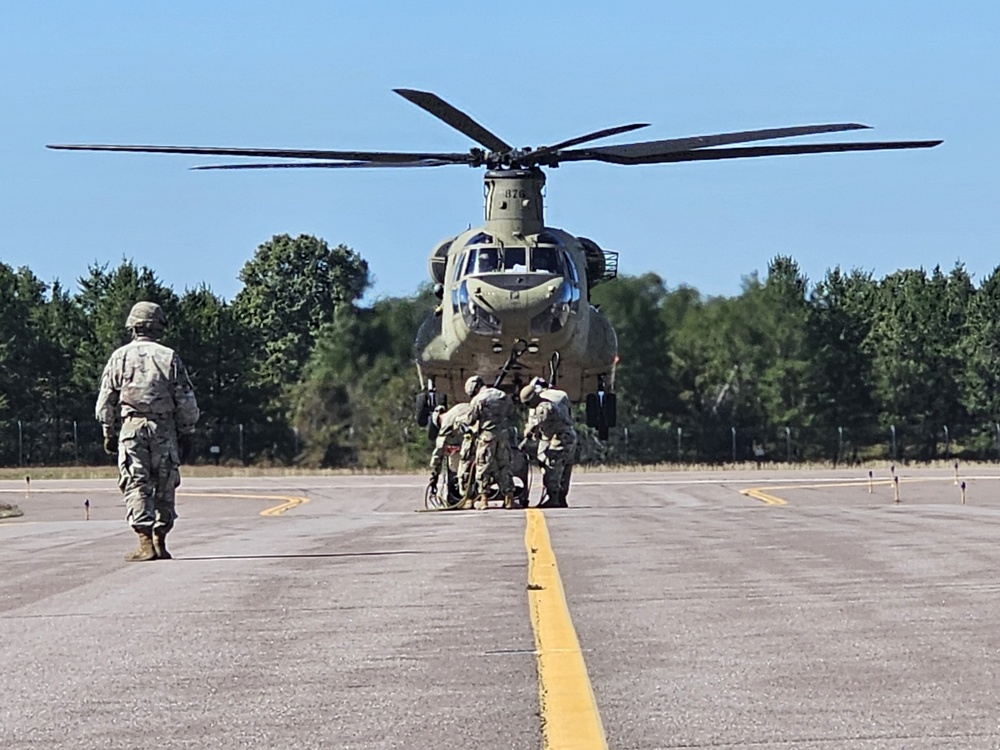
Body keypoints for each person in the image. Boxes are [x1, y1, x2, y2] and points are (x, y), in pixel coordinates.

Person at [95, 302, 200, 561]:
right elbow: (185, 398)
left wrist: (109, 431)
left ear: (133, 326)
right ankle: (159, 540)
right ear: (159, 326)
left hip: (132, 427)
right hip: (163, 428)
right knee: (165, 483)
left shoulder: (119, 357)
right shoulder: (168, 356)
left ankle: (144, 542)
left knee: (136, 481)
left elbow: (106, 398)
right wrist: (187, 431)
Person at [519, 382, 577, 508]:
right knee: (564, 469)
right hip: (567, 436)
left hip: (560, 438)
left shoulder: (543, 408)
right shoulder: (553, 400)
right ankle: (561, 498)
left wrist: (527, 434)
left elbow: (533, 427)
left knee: (552, 468)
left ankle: (554, 499)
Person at [464, 374, 516, 509]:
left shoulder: (478, 399)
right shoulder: (502, 395)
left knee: (483, 466)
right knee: (504, 466)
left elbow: (470, 420)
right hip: (504, 436)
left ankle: (484, 500)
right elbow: (511, 412)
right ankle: (509, 498)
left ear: (474, 388)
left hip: (487, 437)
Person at [427, 402, 472, 501]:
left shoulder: (446, 423)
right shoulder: (459, 407)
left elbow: (439, 451)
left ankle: (466, 498)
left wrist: (434, 474)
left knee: (459, 466)